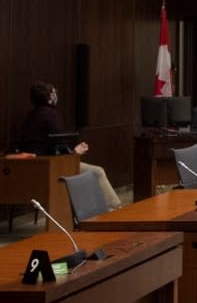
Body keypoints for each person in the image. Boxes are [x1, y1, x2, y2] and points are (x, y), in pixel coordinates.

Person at [18, 82, 121, 210]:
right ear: (50, 97)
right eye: (55, 93)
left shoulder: (31, 116)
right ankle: (115, 208)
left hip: (34, 166)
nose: (56, 96)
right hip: (50, 166)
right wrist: (74, 153)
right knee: (96, 172)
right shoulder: (51, 114)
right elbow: (57, 148)